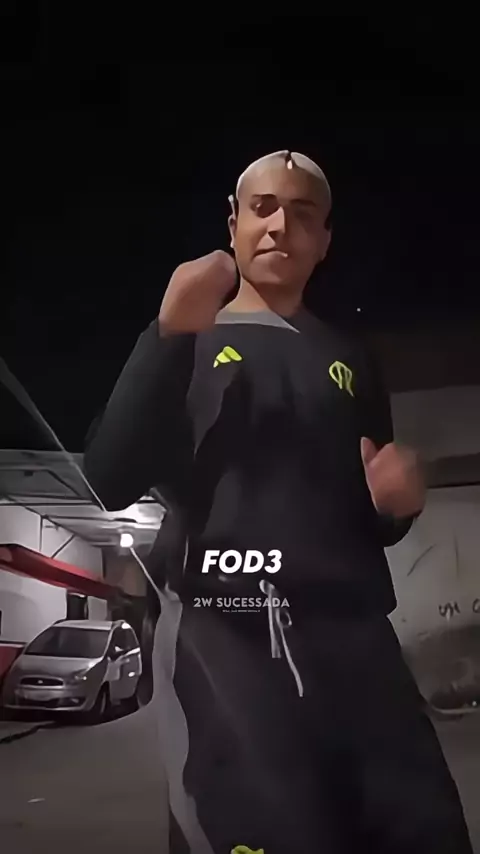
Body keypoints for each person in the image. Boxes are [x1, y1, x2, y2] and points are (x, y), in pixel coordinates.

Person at [84, 151, 473, 854]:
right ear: (233, 223)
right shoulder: (185, 342)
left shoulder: (352, 359)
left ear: (324, 239)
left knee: (423, 830)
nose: (279, 227)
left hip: (358, 641)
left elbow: (369, 521)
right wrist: (166, 334)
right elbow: (108, 479)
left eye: (302, 213)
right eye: (263, 208)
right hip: (225, 638)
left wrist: (396, 506)